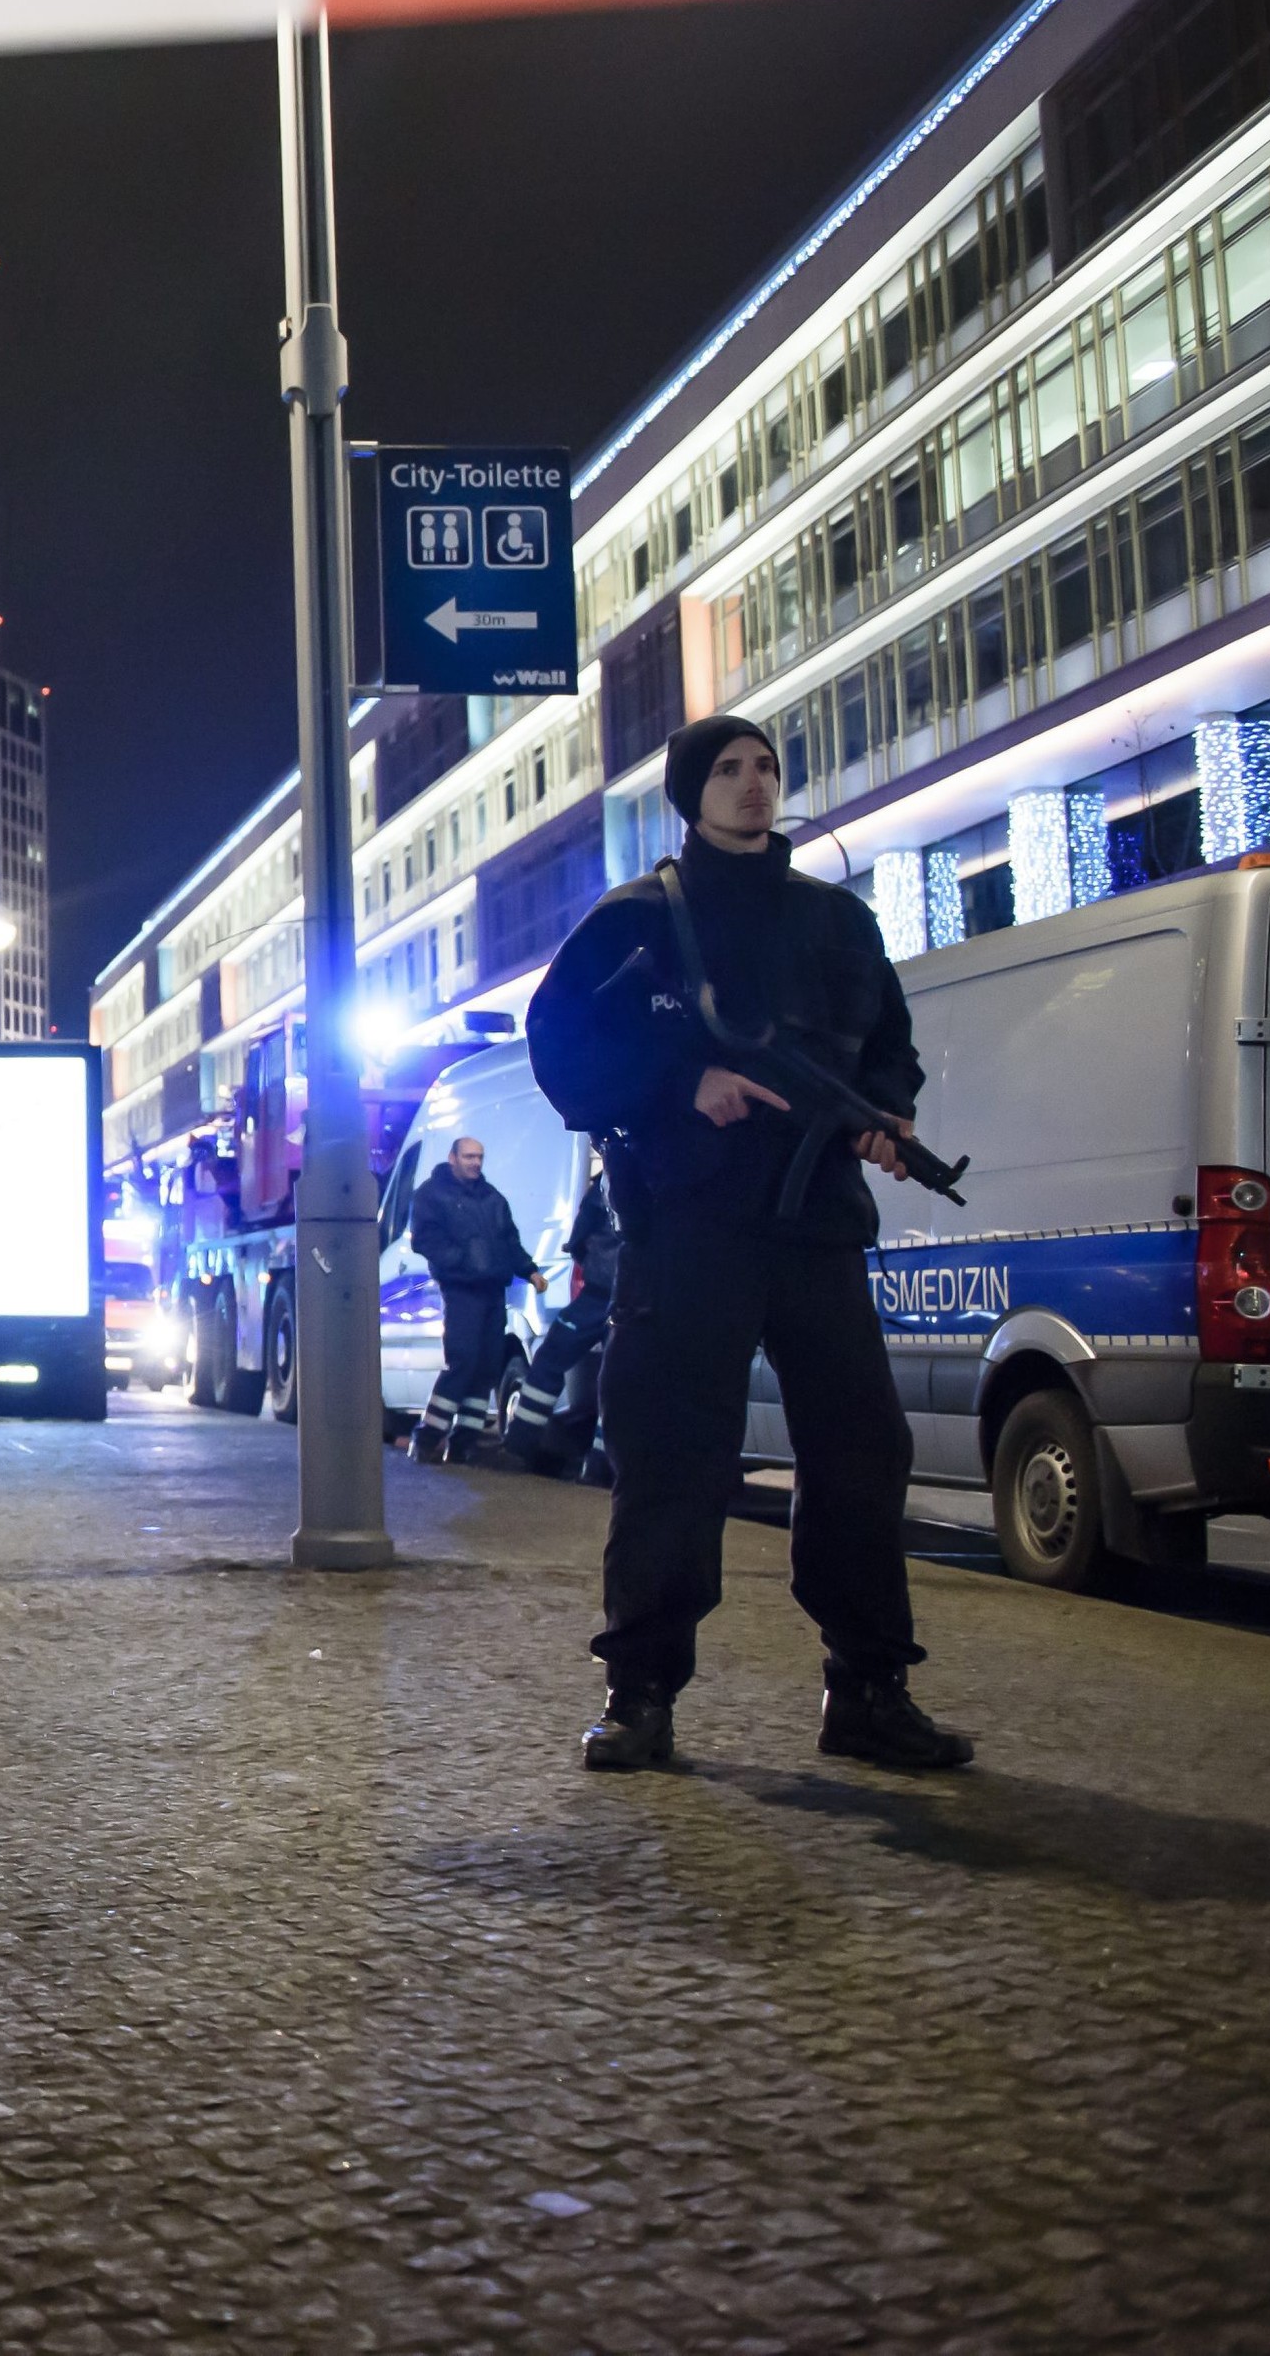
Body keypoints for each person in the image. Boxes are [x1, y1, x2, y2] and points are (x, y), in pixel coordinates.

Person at [525, 715, 972, 1778]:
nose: (752, 785)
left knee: (861, 1455)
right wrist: (683, 1085)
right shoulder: (637, 920)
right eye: (727, 770)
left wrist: (881, 1117)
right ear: (690, 795)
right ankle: (639, 1695)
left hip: (815, 1225)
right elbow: (561, 1044)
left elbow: (889, 1050)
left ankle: (867, 1689)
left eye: (765, 767)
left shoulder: (836, 922)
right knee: (672, 1458)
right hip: (688, 1226)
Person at [408, 1135, 538, 1463]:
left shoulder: (492, 1198)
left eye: (479, 1156)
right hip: (462, 1289)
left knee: (487, 1366)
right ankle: (428, 1437)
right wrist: (458, 1260)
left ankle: (465, 1442)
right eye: (468, 1156)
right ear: (453, 1158)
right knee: (464, 1360)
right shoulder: (432, 1194)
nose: (475, 1163)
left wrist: (530, 1271)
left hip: (492, 1290)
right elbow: (424, 1238)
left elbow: (509, 1240)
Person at [502, 1152, 621, 1474]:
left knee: (558, 1361)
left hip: (606, 1293)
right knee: (614, 1377)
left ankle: (520, 1447)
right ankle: (598, 1464)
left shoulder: (609, 1180)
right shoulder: (633, 1176)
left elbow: (580, 1237)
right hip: (619, 1294)